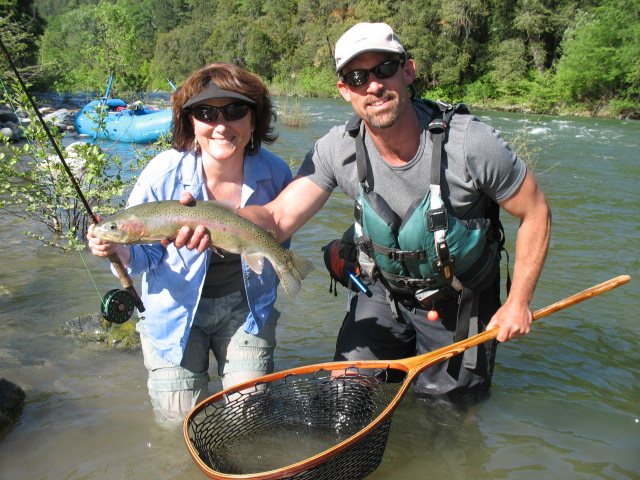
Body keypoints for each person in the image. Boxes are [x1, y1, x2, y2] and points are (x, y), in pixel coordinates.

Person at [176, 23, 551, 403]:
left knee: (444, 417)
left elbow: (535, 212)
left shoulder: (470, 143)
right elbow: (274, 218)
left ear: (407, 71)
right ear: (344, 90)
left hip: (457, 299)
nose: (372, 86)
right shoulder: (336, 149)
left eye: (384, 69)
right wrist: (215, 220)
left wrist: (518, 302)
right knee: (344, 394)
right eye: (357, 77)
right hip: (383, 290)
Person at [86, 62, 293, 421]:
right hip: (174, 310)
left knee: (249, 414)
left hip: (246, 309)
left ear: (254, 120)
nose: (221, 124)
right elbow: (144, 256)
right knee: (179, 423)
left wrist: (274, 258)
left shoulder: (276, 172)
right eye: (205, 112)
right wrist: (115, 247)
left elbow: (279, 237)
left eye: (234, 110)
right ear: (190, 122)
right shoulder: (162, 174)